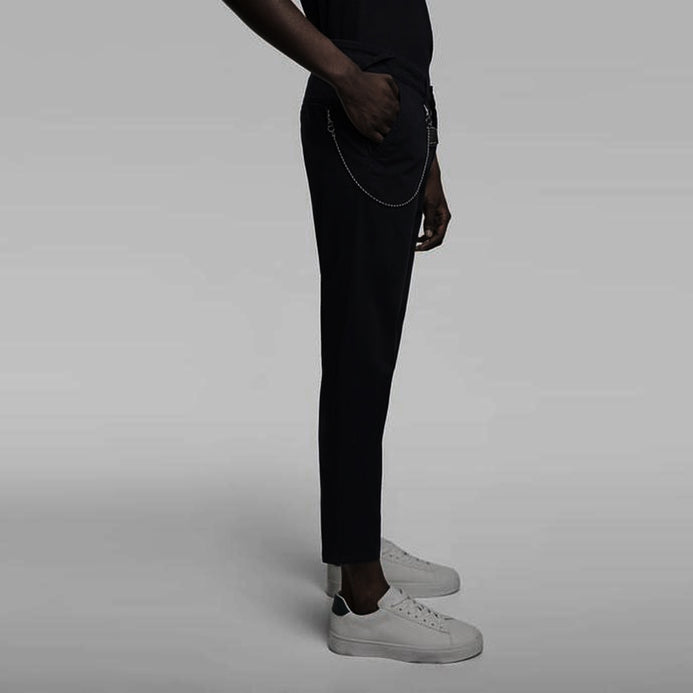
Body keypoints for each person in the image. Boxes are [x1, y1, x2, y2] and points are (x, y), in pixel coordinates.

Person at [221, 0, 482, 663]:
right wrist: (344, 76)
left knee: (370, 351)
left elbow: (400, 26)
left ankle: (352, 546)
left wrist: (428, 154)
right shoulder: (352, 86)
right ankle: (362, 600)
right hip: (361, 118)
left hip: (392, 123)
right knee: (358, 349)